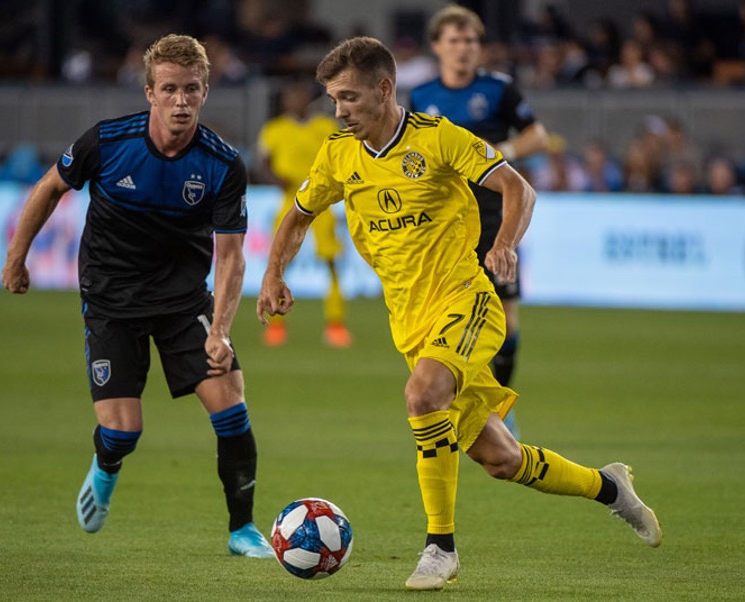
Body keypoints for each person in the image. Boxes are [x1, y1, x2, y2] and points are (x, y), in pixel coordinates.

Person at [256, 36, 662, 592]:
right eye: (333, 99)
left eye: (349, 97)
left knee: (423, 395)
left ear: (384, 88)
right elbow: (298, 216)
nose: (340, 110)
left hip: (466, 300)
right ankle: (611, 488)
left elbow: (518, 188)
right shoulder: (336, 154)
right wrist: (273, 272)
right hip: (410, 323)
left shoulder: (439, 139)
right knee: (501, 458)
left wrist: (505, 243)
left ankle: (439, 548)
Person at [1, 34, 274, 558]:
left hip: (182, 302)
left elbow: (232, 257)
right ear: (149, 91)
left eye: (191, 89)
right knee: (124, 432)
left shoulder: (221, 164)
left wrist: (219, 332)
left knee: (230, 405)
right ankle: (106, 467)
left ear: (205, 92)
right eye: (169, 89)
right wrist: (17, 257)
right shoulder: (107, 142)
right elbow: (48, 188)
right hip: (111, 299)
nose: (180, 101)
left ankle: (242, 530)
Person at [409, 4, 550, 438]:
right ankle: (450, 396)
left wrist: (497, 152)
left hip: (493, 215)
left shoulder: (499, 90)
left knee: (506, 321)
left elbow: (538, 136)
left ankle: (497, 408)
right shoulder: (420, 97)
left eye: (470, 40)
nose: (463, 49)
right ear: (437, 47)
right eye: (454, 40)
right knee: (444, 315)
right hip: (444, 221)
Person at [255, 77, 351, 347]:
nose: (296, 100)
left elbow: (340, 156)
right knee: (280, 264)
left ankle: (335, 324)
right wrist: (275, 178)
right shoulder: (274, 129)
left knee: (332, 264)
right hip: (290, 200)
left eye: (300, 94)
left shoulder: (325, 127)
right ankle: (276, 326)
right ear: (285, 100)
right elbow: (263, 163)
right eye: (291, 95)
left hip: (321, 203)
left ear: (307, 98)